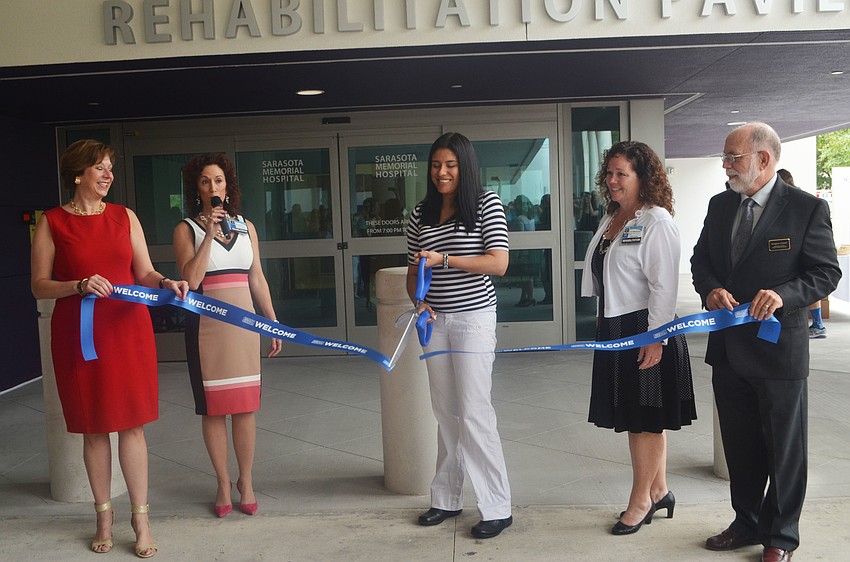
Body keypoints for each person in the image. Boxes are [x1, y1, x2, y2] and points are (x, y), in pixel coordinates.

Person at [31, 139, 189, 558]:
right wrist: (78, 285)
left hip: (127, 330)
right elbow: (38, 285)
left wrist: (168, 283)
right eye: (99, 168)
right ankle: (103, 515)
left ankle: (141, 516)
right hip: (79, 335)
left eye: (110, 169)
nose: (107, 176)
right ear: (78, 173)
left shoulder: (124, 217)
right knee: (94, 426)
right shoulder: (52, 222)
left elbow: (146, 271)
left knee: (132, 425)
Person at [691, 123, 841, 562]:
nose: (725, 165)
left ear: (763, 159)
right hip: (729, 350)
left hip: (779, 350)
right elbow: (701, 260)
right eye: (725, 157)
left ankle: (781, 536)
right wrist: (711, 289)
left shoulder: (805, 209)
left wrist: (785, 296)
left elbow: (825, 272)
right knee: (740, 446)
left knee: (784, 449)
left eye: (733, 157)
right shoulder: (721, 205)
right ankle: (746, 522)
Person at [580, 140, 696, 536]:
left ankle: (641, 501)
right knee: (640, 415)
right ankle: (660, 490)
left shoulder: (657, 221)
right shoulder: (614, 217)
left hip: (646, 330)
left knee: (645, 422)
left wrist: (656, 337)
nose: (611, 181)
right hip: (617, 327)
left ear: (643, 178)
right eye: (608, 173)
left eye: (621, 174)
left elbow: (664, 287)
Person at [406, 132, 513, 539]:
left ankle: (497, 506)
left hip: (474, 319)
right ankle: (446, 499)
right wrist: (419, 304)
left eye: (450, 164)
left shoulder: (486, 204)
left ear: (464, 166)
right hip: (435, 322)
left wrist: (446, 259)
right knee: (445, 411)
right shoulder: (421, 214)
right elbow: (414, 271)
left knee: (474, 411)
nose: (441, 172)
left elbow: (499, 263)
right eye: (435, 165)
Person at [173, 153, 282, 519]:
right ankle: (222, 482)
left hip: (245, 327)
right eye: (205, 181)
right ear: (197, 189)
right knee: (215, 410)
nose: (213, 187)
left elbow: (257, 278)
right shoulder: (186, 229)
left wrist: (272, 321)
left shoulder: (248, 226)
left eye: (218, 180)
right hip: (207, 328)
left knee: (245, 407)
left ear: (228, 186)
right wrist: (208, 235)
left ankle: (245, 481)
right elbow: (190, 278)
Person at [777, 169, 829, 339]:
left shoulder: (804, 203)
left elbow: (826, 273)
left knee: (808, 284)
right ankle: (818, 323)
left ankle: (818, 324)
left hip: (801, 257)